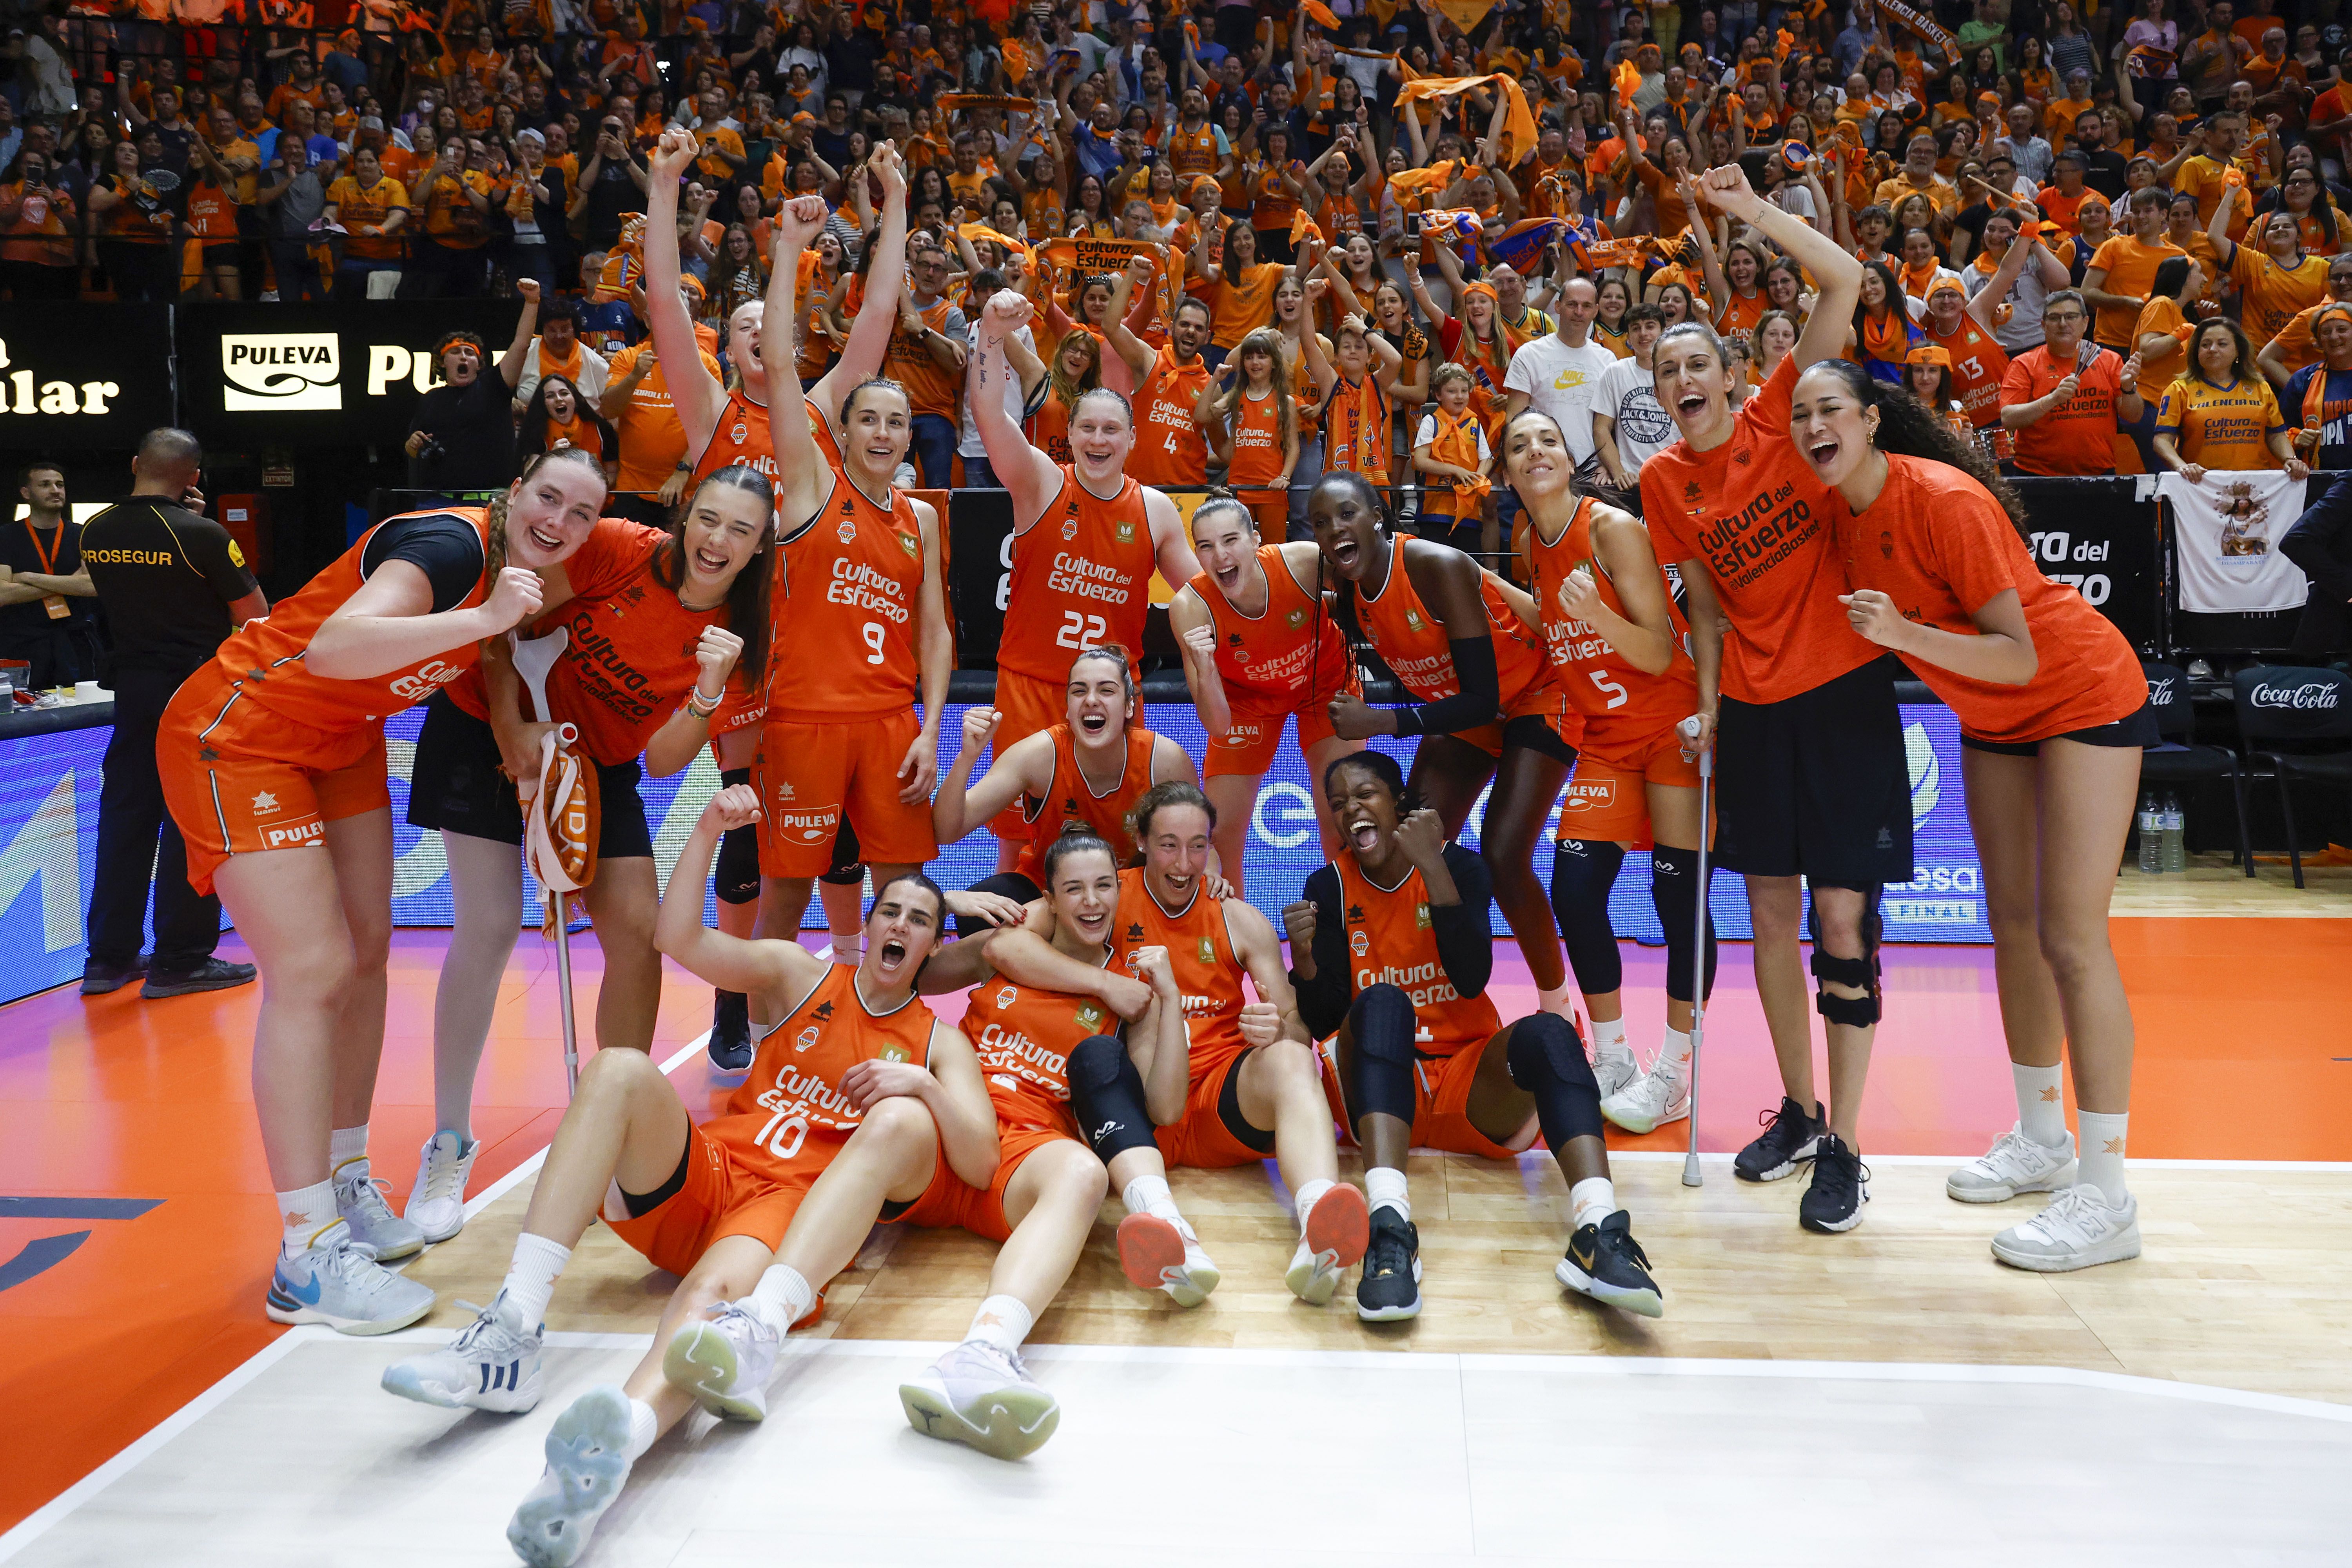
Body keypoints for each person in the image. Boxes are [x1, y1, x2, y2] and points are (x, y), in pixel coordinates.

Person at [381, 797, 996, 1566]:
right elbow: (675, 938)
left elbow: (978, 1158)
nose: (899, 925)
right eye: (889, 911)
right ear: (868, 927)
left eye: (917, 919)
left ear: (933, 946)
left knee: (705, 1303)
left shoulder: (939, 1043)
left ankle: (611, 1452)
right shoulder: (798, 972)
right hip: (710, 1171)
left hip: (782, 1214)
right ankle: (513, 1325)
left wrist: (924, 1088)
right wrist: (706, 830)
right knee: (618, 1067)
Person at [157, 446, 617, 1332]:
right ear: (512, 486)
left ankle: (345, 1178)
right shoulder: (449, 547)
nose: (558, 522)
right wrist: (484, 613)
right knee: (316, 969)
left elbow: (484, 663)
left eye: (582, 514)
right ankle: (305, 1253)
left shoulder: (521, 576)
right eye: (547, 498)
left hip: (341, 743)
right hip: (242, 734)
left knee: (370, 955)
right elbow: (336, 648)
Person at [1791, 358, 2156, 1272]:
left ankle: (2108, 1195)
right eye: (1800, 416)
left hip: (2079, 693)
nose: (1810, 426)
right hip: (1991, 716)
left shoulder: (1947, 500)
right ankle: (2042, 1138)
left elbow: (2019, 655)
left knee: (2072, 936)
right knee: (2013, 925)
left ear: (1872, 419)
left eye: (1827, 407)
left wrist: (1905, 635)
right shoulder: (1838, 511)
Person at [400, 465, 773, 1241]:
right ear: (684, 513)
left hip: (598, 766)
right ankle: (448, 1141)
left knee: (639, 937)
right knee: (492, 924)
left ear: (760, 544)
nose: (718, 540)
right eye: (709, 518)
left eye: (741, 529)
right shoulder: (619, 549)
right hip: (486, 723)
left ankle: (613, 1123)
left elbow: (667, 758)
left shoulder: (746, 630)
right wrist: (512, 736)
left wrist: (707, 688)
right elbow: (503, 624)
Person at [1640, 165, 1894, 1234]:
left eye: (1699, 361)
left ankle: (1847, 1143)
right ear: (1657, 392)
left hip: (1841, 697)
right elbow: (1699, 610)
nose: (1684, 378)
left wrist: (1748, 215)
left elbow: (1843, 278)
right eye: (1667, 369)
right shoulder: (1660, 483)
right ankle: (1796, 1109)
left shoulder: (1787, 414)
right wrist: (1704, 714)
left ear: (1732, 369)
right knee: (1772, 920)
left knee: (1843, 920)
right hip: (1751, 709)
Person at [1284, 751, 1664, 1320]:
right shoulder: (1328, 885)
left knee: (1551, 1034)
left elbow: (1470, 979)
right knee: (1383, 1004)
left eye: (1365, 795)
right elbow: (1324, 1020)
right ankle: (1389, 1228)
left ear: (1401, 806)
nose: (1350, 810)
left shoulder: (1460, 868)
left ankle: (1598, 1231)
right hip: (1382, 1092)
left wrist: (1432, 868)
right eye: (1338, 804)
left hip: (1468, 1078)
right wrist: (1308, 962)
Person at [989, 783, 1372, 1305]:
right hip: (1134, 1106)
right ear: (1142, 841)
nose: (1185, 862)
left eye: (1198, 845)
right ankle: (1168, 1232)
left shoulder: (1237, 918)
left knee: (1288, 1057)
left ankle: (1319, 1232)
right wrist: (1105, 985)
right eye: (1169, 844)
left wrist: (1276, 1028)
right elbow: (1006, 945)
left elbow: (1294, 1022)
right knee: (1110, 1047)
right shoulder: (1104, 894)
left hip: (1220, 1102)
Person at [744, 193, 955, 1034]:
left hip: (891, 724)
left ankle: (894, 1030)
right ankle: (767, 1039)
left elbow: (935, 633)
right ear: (846, 429)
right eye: (866, 417)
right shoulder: (810, 484)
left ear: (911, 437)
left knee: (904, 893)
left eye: (895, 422)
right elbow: (786, 366)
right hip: (804, 720)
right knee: (786, 891)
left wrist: (933, 727)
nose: (881, 431)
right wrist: (792, 249)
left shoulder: (925, 519)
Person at [1309, 470, 1584, 1023]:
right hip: (1464, 706)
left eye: (1346, 514)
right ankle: (1412, 992)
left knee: (1505, 855)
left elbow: (1484, 699)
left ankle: (1559, 1012)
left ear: (1377, 518)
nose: (1333, 528)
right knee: (1405, 840)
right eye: (1320, 522)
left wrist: (1382, 720)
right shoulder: (1348, 593)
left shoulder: (1435, 566)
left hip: (1533, 692)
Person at [1506, 407, 1716, 1127]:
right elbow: (1552, 620)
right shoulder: (1526, 537)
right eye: (1518, 445)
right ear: (1506, 472)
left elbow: (1659, 652)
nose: (1535, 450)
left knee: (1677, 900)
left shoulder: (1610, 530)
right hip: (1605, 737)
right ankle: (1614, 1057)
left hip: (1670, 730)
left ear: (1569, 459)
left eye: (1547, 440)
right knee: (1574, 889)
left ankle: (1675, 1075)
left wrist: (1596, 613)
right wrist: (1480, 584)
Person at [966, 289, 1203, 872]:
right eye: (1088, 430)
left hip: (1112, 695)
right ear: (1069, 435)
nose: (1098, 441)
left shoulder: (1154, 510)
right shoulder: (1041, 483)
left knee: (1124, 843)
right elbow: (989, 414)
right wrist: (990, 335)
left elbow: (1204, 595)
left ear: (1131, 440)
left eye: (1111, 431)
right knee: (1015, 849)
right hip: (1031, 684)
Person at [74, 432, 266, 1000]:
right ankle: (180, 959)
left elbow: (144, 580)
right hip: (195, 693)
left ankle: (108, 960)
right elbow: (257, 618)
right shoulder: (204, 535)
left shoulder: (97, 531)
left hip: (131, 691)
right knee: (190, 824)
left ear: (136, 465)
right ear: (194, 477)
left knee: (125, 818)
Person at [1168, 495, 1360, 883]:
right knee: (1218, 839)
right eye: (1205, 546)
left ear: (1256, 539)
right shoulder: (1190, 606)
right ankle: (1235, 941)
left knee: (1344, 819)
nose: (1220, 555)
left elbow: (1369, 585)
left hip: (1324, 684)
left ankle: (1353, 934)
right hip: (1245, 701)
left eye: (1230, 540)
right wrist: (1206, 672)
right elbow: (1218, 725)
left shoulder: (1303, 561)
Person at [933, 648, 1198, 913]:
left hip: (1130, 897)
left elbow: (1201, 848)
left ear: (1130, 706)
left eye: (1106, 690)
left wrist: (1213, 881)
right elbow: (947, 831)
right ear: (1068, 708)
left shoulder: (1166, 762)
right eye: (1079, 691)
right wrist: (966, 758)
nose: (1091, 700)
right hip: (1047, 895)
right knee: (982, 914)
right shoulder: (1039, 756)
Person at [406, 284, 543, 494]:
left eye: (470, 353)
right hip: (439, 500)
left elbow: (522, 344)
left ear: (478, 364)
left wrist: (532, 302)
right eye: (455, 352)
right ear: (442, 362)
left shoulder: (494, 387)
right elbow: (413, 450)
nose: (463, 357)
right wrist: (413, 444)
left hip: (488, 500)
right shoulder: (430, 399)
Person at [1998, 287, 2148, 476]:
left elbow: (2134, 416)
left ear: (2086, 323)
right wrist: (2052, 399)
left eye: (2071, 317)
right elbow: (2008, 419)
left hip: (2098, 474)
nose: (2063, 324)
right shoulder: (2024, 364)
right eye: (2054, 318)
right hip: (2038, 476)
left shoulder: (2110, 360)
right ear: (2043, 325)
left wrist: (2128, 389)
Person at [2155, 318, 2305, 478]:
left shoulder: (2260, 387)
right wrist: (2182, 467)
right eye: (2205, 345)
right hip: (2201, 484)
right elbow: (2162, 440)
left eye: (2222, 344)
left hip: (2256, 484)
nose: (2212, 349)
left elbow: (2276, 435)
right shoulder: (2179, 389)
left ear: (2238, 351)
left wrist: (2290, 459)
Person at [0, 459, 99, 689]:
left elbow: (93, 586)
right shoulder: (6, 536)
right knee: (22, 717)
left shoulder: (83, 534)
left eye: (60, 484)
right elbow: (3, 594)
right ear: (26, 493)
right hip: (21, 643)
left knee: (80, 717)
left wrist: (27, 577)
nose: (55, 490)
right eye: (45, 485)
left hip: (75, 643)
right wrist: (71, 583)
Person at [1589, 304, 1677, 504]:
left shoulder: (1678, 372)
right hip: (1630, 483)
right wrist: (1618, 471)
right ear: (1628, 337)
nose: (1643, 334)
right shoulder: (1615, 372)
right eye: (1636, 328)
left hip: (1671, 478)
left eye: (1650, 326)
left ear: (1663, 332)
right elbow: (1601, 429)